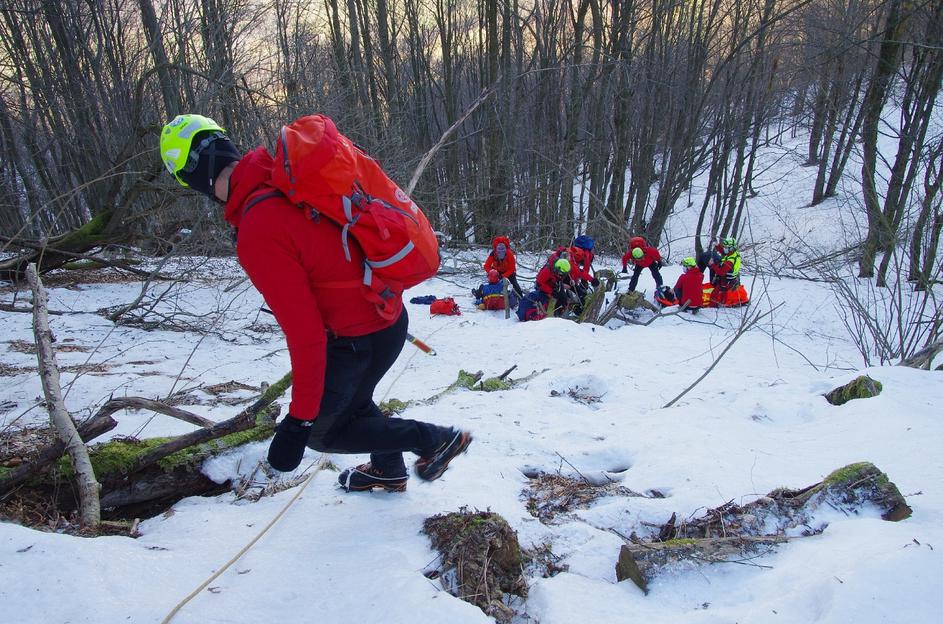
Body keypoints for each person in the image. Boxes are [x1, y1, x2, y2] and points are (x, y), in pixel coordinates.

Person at [159, 113, 471, 492]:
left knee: (324, 434)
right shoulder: (285, 177)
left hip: (357, 341)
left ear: (193, 178)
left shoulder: (257, 228)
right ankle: (388, 468)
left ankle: (433, 439)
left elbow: (306, 335)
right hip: (389, 318)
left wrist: (299, 422)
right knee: (354, 403)